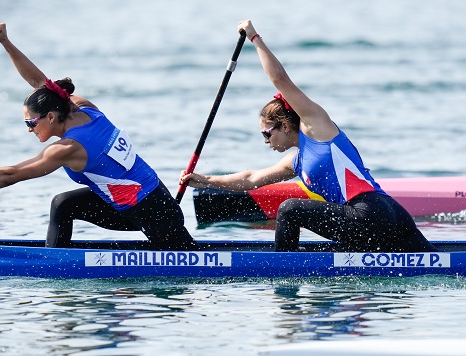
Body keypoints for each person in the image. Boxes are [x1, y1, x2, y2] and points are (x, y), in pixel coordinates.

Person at [0, 23, 196, 250]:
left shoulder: (67, 148)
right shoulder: (82, 108)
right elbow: (40, 84)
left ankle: (54, 266)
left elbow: (10, 174)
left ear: (50, 117)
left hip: (152, 212)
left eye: (30, 122)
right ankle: (55, 260)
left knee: (189, 259)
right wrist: (5, 42)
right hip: (146, 201)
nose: (28, 129)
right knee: (63, 204)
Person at [179, 20, 435, 253]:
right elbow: (251, 179)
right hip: (389, 215)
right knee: (439, 264)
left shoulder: (316, 128)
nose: (266, 141)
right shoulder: (295, 161)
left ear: (285, 126)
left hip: (369, 211)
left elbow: (280, 80)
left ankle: (283, 268)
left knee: (289, 209)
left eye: (267, 133)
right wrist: (204, 180)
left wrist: (255, 38)